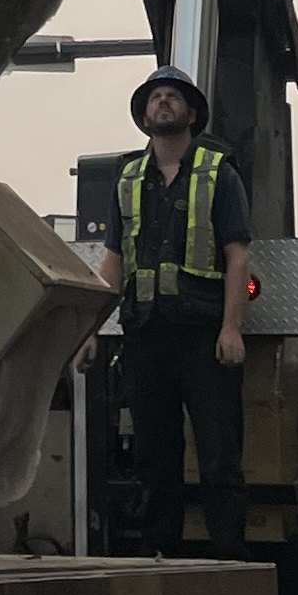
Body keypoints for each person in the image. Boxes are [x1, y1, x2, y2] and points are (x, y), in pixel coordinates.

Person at [101, 67, 251, 559]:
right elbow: (113, 261)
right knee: (155, 461)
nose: (163, 102)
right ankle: (161, 562)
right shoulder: (127, 179)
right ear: (144, 114)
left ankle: (230, 563)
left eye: (173, 97)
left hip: (204, 339)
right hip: (146, 339)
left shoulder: (218, 173)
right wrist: (90, 328)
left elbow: (237, 256)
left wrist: (231, 327)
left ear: (191, 113)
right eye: (155, 97)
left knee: (219, 460)